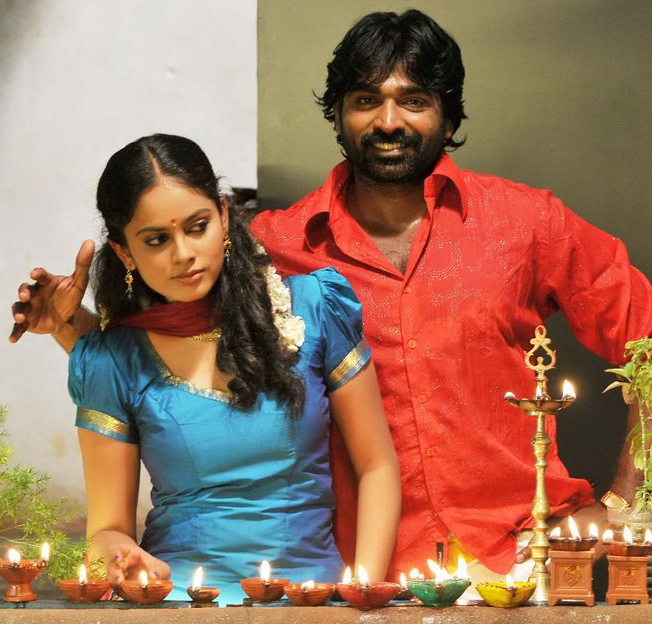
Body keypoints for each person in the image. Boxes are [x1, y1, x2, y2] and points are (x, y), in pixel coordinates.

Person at [10, 10, 652, 582]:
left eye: (414, 100)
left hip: (523, 560)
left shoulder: (525, 223)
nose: (388, 120)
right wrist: (73, 327)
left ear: (449, 115)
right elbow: (172, 350)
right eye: (366, 100)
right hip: (360, 578)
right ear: (338, 116)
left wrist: (620, 502)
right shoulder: (273, 248)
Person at [55, 134, 399, 604]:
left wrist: (363, 594)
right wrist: (117, 556)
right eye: (156, 240)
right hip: (180, 603)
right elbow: (106, 530)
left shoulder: (316, 309)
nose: (183, 253)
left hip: (314, 601)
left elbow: (377, 466)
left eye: (197, 227)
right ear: (124, 252)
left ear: (223, 216)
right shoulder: (112, 361)